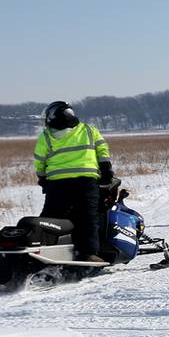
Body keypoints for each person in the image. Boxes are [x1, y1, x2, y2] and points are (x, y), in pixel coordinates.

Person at [34, 101, 112, 263]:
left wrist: (42, 178)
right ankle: (88, 254)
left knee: (51, 218)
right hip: (86, 181)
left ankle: (42, 251)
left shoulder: (47, 135)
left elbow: (40, 160)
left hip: (57, 184)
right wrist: (106, 171)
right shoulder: (89, 130)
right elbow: (102, 151)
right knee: (87, 218)